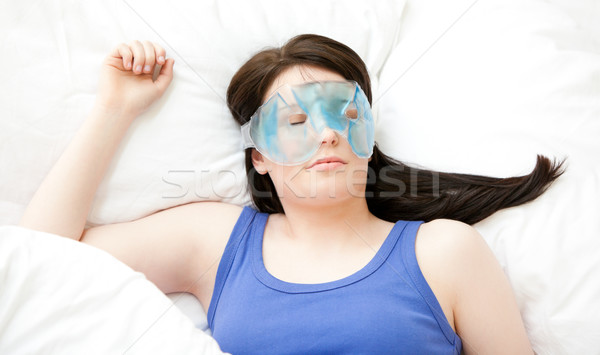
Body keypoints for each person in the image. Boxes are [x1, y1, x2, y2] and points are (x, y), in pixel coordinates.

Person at [20, 35, 564, 354]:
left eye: (345, 115)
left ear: (368, 136)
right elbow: (34, 260)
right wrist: (115, 110)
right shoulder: (215, 243)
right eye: (298, 119)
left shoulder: (446, 252)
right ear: (258, 155)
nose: (327, 133)